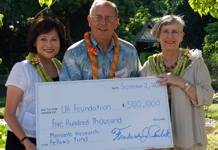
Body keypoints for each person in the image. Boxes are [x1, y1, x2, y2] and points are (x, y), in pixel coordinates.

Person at [140, 15, 214, 150]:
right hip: (159, 140)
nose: (170, 36)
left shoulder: (194, 62)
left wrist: (180, 82)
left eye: (175, 32)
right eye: (165, 32)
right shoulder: (149, 66)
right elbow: (140, 105)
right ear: (157, 36)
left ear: (182, 36)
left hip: (189, 139)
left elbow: (208, 98)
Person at [4, 16, 67, 150]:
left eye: (54, 39)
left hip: (52, 138)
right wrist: (26, 142)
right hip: (23, 141)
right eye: (43, 39)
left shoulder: (62, 69)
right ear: (34, 41)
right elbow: (9, 113)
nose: (49, 45)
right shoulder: (22, 68)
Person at [59, 0, 141, 81]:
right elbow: (68, 92)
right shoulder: (74, 54)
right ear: (89, 20)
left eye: (108, 18)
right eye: (98, 17)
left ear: (116, 23)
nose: (103, 23)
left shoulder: (130, 52)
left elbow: (140, 86)